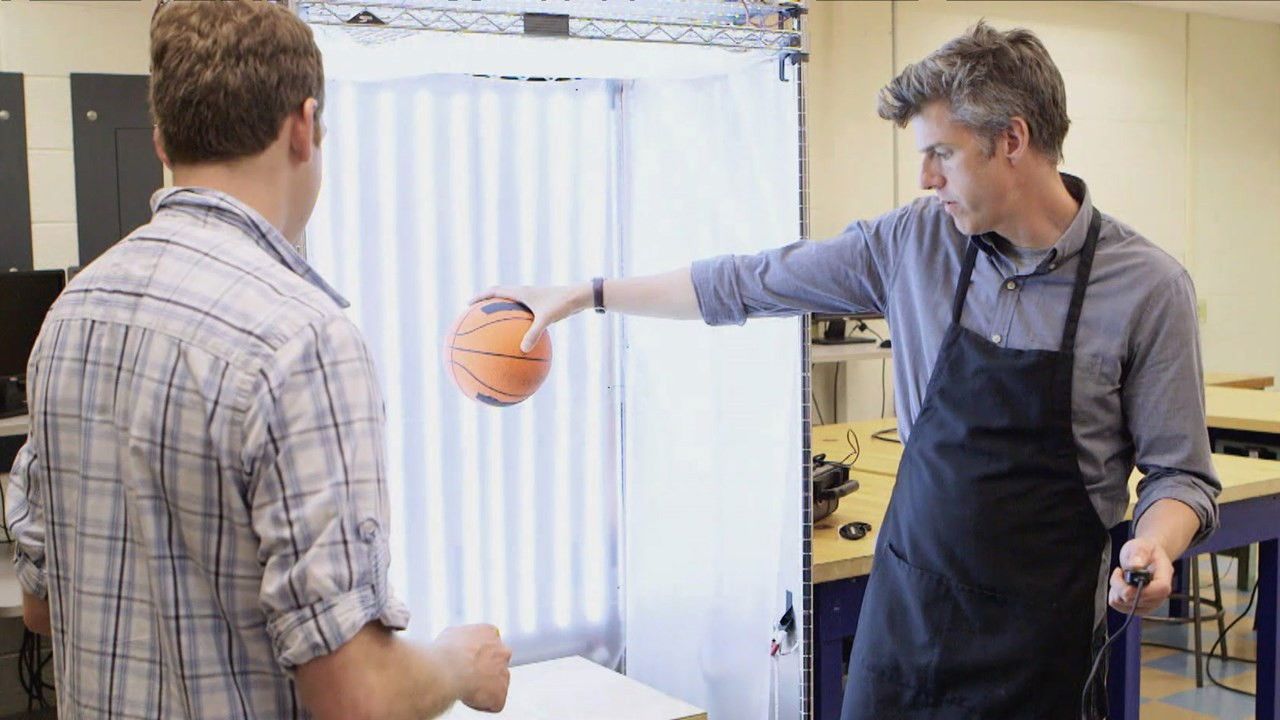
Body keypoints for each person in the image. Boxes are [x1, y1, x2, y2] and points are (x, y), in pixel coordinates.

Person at [475, 21, 1220, 718]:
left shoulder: (1147, 289)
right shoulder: (912, 245)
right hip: (906, 632)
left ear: (1013, 140)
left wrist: (1156, 542)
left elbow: (1180, 475)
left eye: (942, 153)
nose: (925, 177)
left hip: (1040, 650)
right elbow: (746, 282)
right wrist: (587, 294)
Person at [7, 2, 510, 718]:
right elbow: (354, 696)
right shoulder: (301, 340)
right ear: (304, 126)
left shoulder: (71, 315)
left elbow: (40, 606)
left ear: (162, 139)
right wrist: (460, 664)